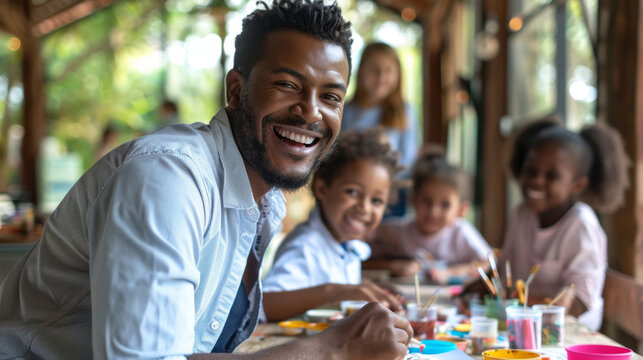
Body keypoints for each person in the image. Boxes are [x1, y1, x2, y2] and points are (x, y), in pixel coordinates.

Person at [0, 1, 413, 359]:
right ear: (236, 90)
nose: (310, 113)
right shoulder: (167, 177)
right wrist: (331, 350)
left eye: (330, 97)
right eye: (288, 85)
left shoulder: (266, 201)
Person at [502, 117, 629, 331]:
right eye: (531, 170)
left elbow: (579, 302)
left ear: (577, 185)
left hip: (568, 336)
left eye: (551, 176)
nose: (537, 181)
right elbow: (505, 270)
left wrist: (530, 300)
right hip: (523, 327)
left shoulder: (581, 225)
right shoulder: (521, 214)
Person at [262, 129, 402, 321]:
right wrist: (333, 292)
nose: (364, 208)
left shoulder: (344, 243)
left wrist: (367, 289)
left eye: (376, 201)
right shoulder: (306, 247)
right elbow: (264, 306)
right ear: (322, 188)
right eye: (352, 192)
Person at [364, 147, 491, 283]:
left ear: (461, 209)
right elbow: (358, 257)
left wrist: (449, 273)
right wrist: (392, 266)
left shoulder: (461, 233)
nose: (433, 211)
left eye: (445, 205)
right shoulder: (396, 232)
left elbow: (488, 263)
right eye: (426, 201)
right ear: (413, 200)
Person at [341, 42, 419, 216]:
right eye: (374, 69)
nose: (381, 77)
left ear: (399, 74)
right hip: (350, 194)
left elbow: (409, 158)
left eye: (389, 70)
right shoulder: (346, 111)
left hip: (390, 197)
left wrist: (388, 182)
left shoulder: (405, 112)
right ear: (361, 71)